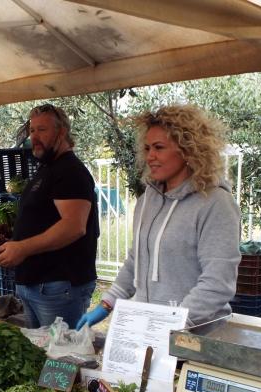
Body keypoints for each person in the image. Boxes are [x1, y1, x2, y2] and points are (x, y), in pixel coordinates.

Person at [77, 104, 241, 330]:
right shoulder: (147, 201)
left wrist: (172, 325)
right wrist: (107, 303)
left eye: (159, 147)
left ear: (187, 150)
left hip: (195, 338)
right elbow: (137, 260)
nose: (150, 156)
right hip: (149, 330)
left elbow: (217, 283)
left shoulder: (215, 203)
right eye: (147, 148)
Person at [0, 104, 99, 328]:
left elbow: (73, 226)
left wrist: (23, 248)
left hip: (58, 287)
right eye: (32, 130)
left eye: (42, 130)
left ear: (62, 133)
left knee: (61, 357)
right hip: (36, 285)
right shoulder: (48, 168)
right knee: (39, 356)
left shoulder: (70, 171)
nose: (34, 137)